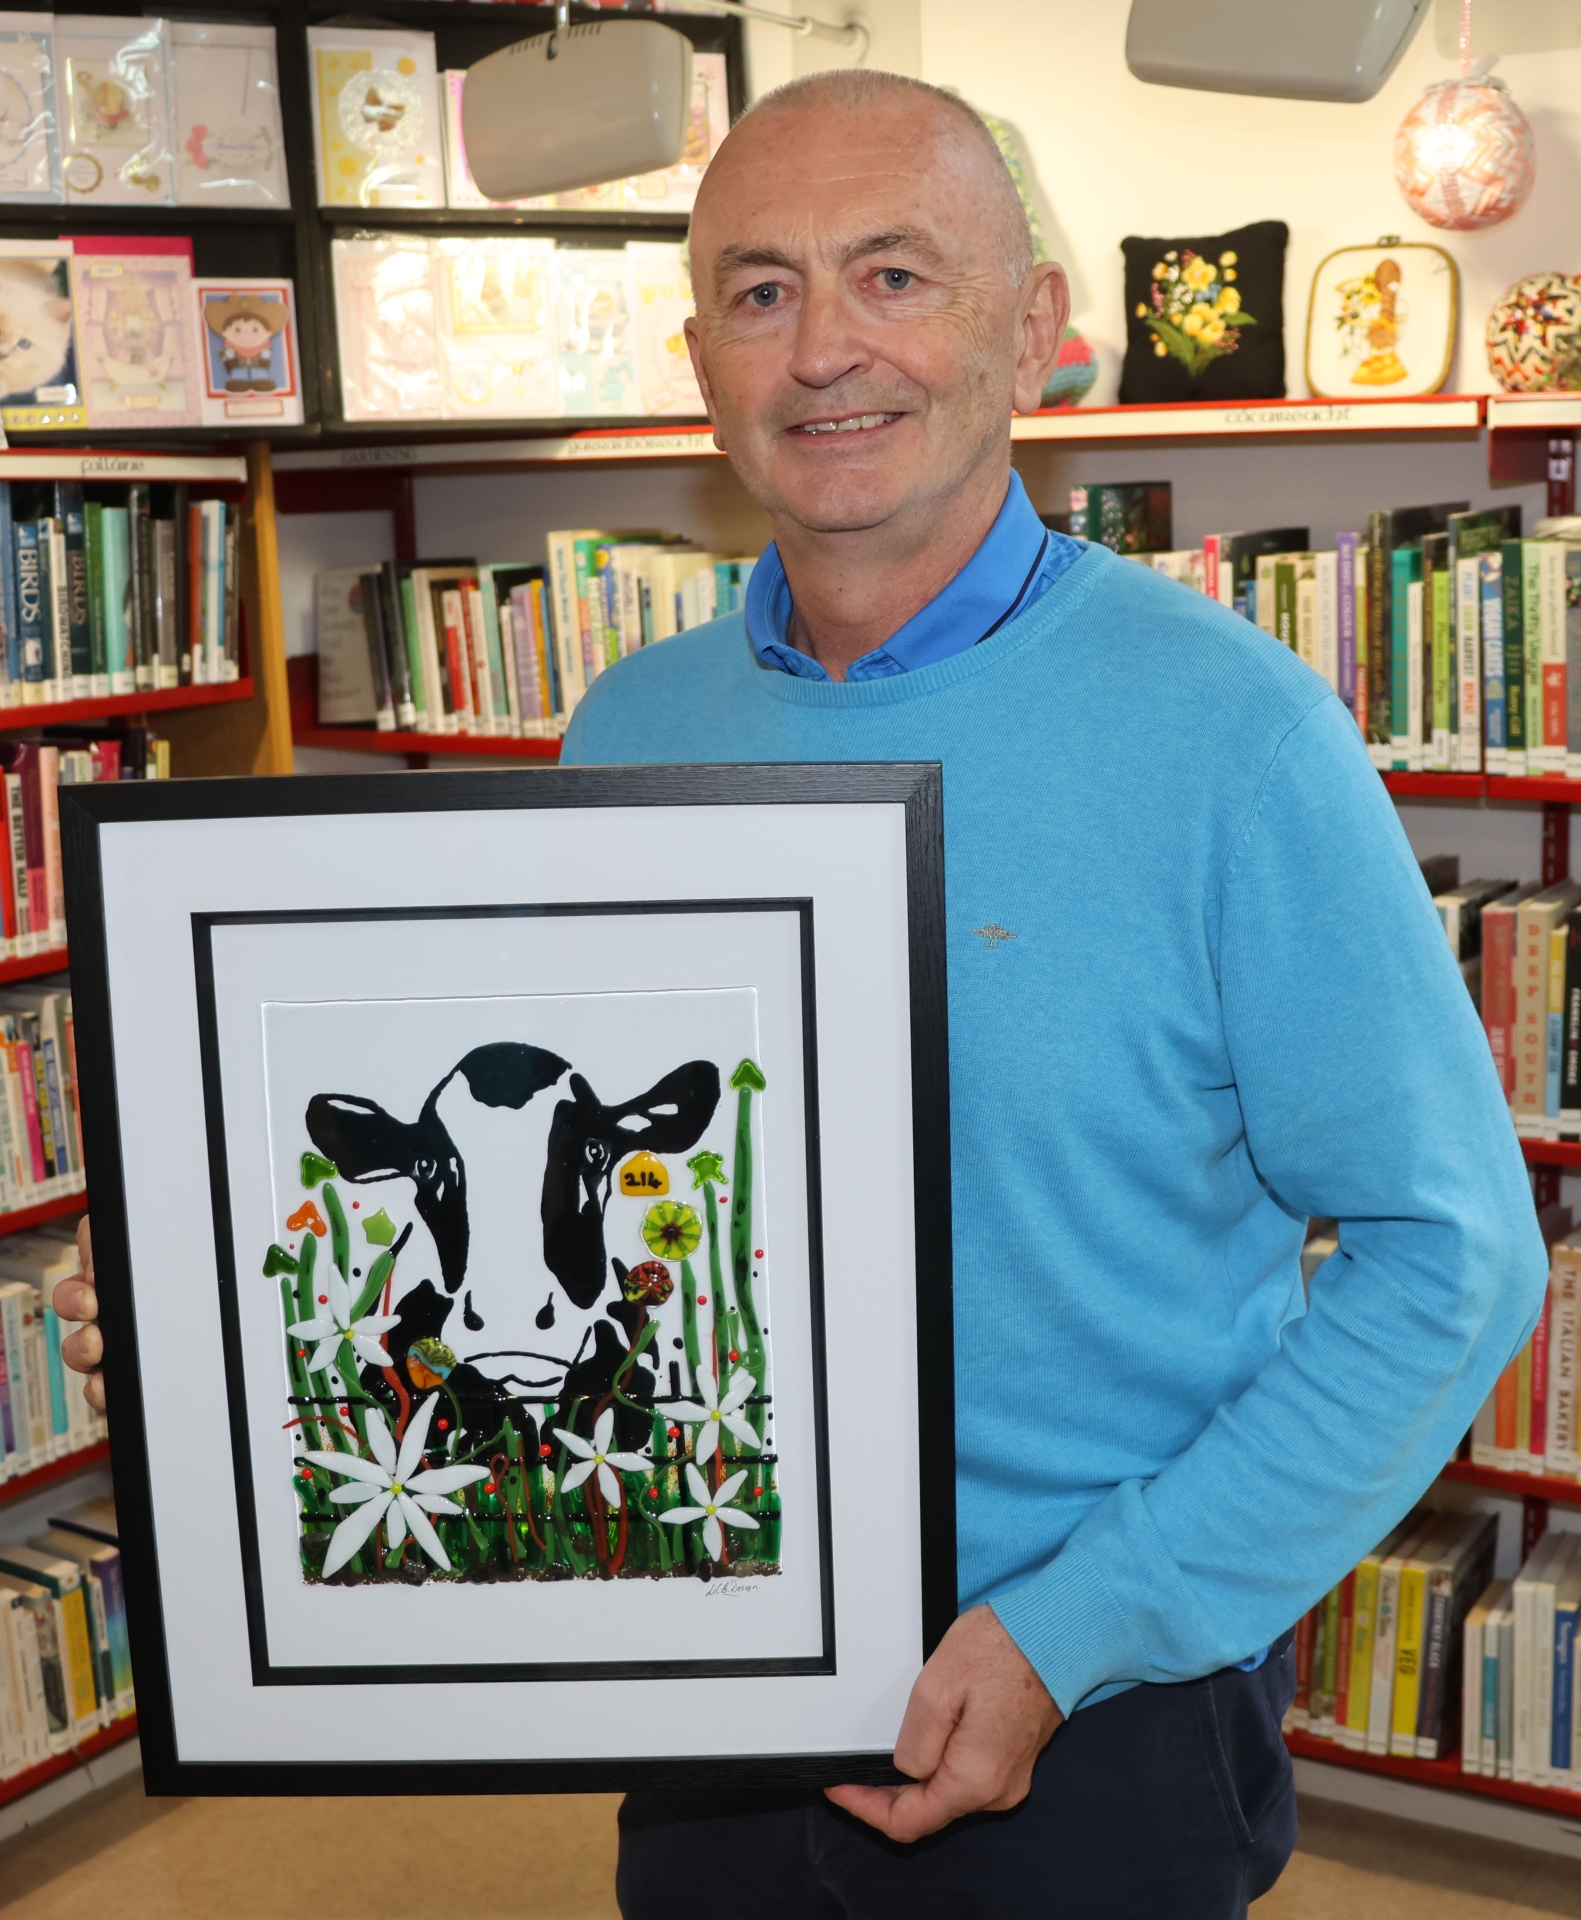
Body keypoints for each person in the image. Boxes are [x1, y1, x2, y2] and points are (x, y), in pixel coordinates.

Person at [55, 69, 1547, 1920]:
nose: (824, 347)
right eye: (760, 291)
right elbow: (569, 1180)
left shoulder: (1237, 737)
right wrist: (215, 1322)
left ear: (1032, 327)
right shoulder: (632, 731)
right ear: (700, 361)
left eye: (894, 274)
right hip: (707, 1674)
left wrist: (1083, 1627)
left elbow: (1454, 1257)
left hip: (1094, 1714)